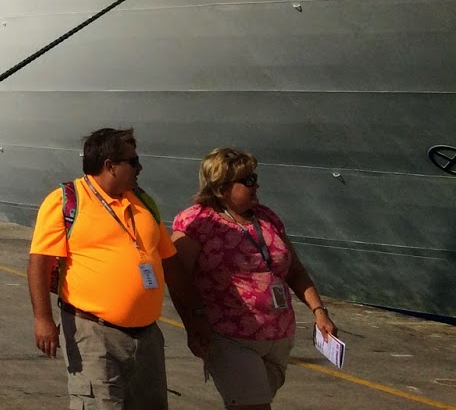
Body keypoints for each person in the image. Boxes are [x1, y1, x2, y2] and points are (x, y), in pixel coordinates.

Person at [28, 127, 207, 409]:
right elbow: (40, 262)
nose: (140, 167)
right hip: (93, 333)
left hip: (147, 337)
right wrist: (43, 320)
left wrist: (194, 317)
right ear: (110, 166)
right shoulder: (66, 201)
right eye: (133, 161)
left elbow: (170, 264)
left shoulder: (143, 202)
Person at [171, 147, 338, 409]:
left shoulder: (266, 217)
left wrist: (319, 311)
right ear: (222, 187)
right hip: (230, 336)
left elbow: (294, 270)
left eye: (255, 177)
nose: (256, 185)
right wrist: (194, 324)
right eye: (248, 180)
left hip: (278, 338)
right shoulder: (197, 221)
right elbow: (178, 279)